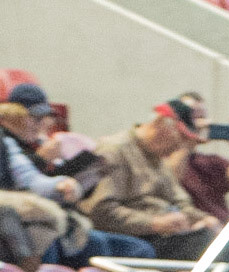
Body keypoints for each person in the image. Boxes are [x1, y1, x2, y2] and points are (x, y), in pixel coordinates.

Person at [0, 94, 155, 266]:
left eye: (46, 118)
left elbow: (33, 180)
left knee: (138, 250)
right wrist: (43, 163)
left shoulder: (31, 145)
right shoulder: (13, 144)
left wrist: (66, 181)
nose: (44, 124)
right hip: (25, 219)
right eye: (35, 119)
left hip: (55, 217)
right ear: (9, 117)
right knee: (86, 244)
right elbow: (30, 185)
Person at [82, 103, 220, 260]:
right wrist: (154, 223)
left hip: (163, 236)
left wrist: (204, 219)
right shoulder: (115, 150)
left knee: (227, 242)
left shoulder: (159, 159)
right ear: (160, 122)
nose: (180, 146)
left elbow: (181, 204)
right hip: (135, 236)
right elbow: (100, 211)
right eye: (181, 136)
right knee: (208, 245)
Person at [164, 93, 229, 223]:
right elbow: (169, 182)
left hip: (223, 232)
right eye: (194, 117)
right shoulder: (161, 159)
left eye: (203, 117)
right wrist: (188, 139)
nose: (203, 123)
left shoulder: (211, 162)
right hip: (191, 233)